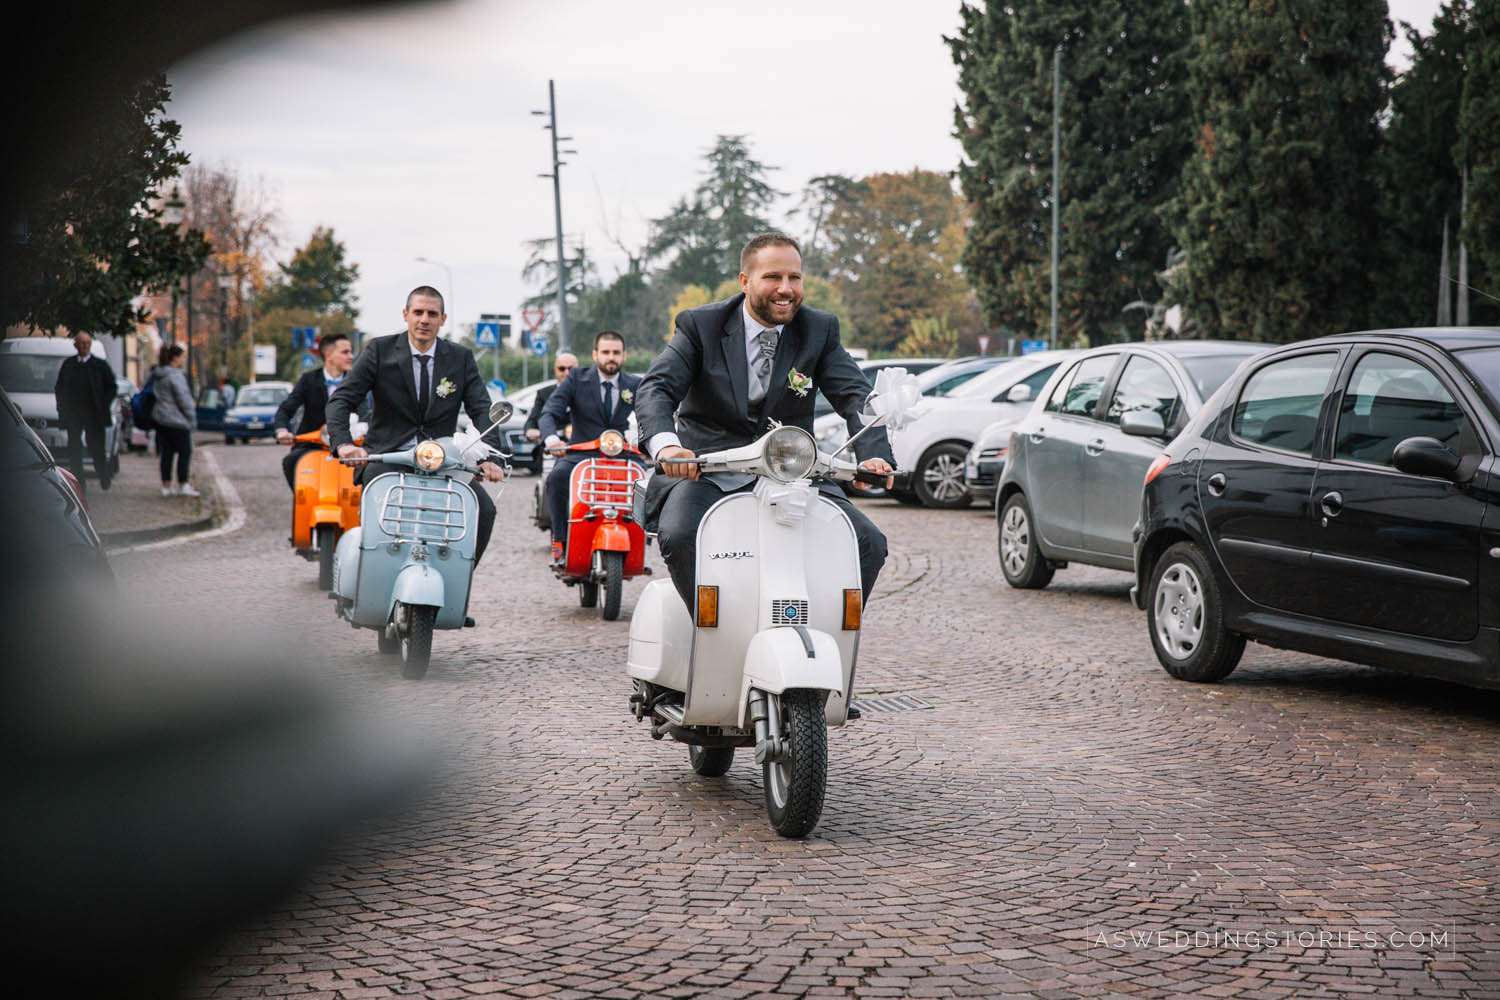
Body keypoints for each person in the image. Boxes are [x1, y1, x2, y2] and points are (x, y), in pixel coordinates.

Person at [636, 232, 895, 610]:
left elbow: (854, 394)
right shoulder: (701, 325)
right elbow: (656, 388)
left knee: (868, 543)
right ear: (745, 281)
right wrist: (668, 447)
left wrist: (873, 454)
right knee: (680, 535)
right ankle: (714, 628)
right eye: (773, 277)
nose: (786, 288)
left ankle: (817, 625)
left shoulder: (819, 329)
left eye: (795, 277)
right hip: (708, 471)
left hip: (791, 469)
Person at [327, 286, 505, 565]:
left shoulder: (460, 357)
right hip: (388, 456)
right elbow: (341, 400)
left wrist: (490, 457)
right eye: (418, 312)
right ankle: (374, 575)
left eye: (432, 314)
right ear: (405, 315)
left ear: (443, 319)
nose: (424, 319)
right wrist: (344, 444)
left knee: (484, 511)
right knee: (380, 520)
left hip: (442, 459)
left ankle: (459, 581)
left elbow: (482, 409)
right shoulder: (379, 350)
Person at [537, 332, 641, 564]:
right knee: (557, 478)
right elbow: (549, 412)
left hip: (624, 455)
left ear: (624, 355)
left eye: (616, 352)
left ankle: (643, 541)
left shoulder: (636, 384)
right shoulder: (576, 378)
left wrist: (653, 444)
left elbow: (649, 416)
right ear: (595, 354)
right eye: (605, 352)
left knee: (649, 482)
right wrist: (552, 440)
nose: (611, 357)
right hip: (582, 454)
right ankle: (560, 541)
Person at [273, 332, 367, 489]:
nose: (351, 356)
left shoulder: (356, 380)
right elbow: (287, 408)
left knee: (370, 467)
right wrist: (282, 430)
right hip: (312, 442)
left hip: (349, 442)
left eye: (350, 352)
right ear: (328, 355)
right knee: (290, 462)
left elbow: (365, 410)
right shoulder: (308, 379)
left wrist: (365, 428)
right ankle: (302, 498)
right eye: (345, 352)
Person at [53, 331, 117, 491]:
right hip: (74, 414)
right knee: (74, 446)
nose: (84, 346)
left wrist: (103, 404)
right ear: (75, 345)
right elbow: (60, 388)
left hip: (94, 414)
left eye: (87, 343)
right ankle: (79, 481)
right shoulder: (69, 365)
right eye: (81, 343)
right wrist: (62, 407)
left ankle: (103, 475)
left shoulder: (100, 365)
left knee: (97, 447)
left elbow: (111, 387)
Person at [149, 344, 200, 497]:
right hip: (177, 420)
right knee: (185, 452)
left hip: (161, 419)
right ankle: (183, 484)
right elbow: (183, 399)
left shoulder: (158, 374)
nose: (184, 360)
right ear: (175, 358)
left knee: (167, 453)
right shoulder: (175, 375)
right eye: (183, 357)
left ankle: (166, 486)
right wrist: (191, 419)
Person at [523, 352, 577, 474]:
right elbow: (533, 420)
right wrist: (531, 430)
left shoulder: (586, 392)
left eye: (571, 369)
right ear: (555, 370)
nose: (566, 373)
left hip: (578, 448)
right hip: (551, 449)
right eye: (562, 369)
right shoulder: (544, 393)